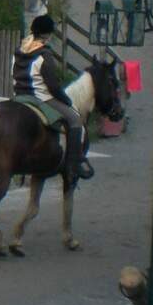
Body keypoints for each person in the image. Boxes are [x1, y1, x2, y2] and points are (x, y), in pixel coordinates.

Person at [13, 13, 94, 182]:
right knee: (75, 120)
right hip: (40, 97)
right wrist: (67, 100)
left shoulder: (19, 51)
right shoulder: (44, 55)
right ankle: (73, 164)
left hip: (19, 96)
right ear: (48, 34)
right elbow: (53, 87)